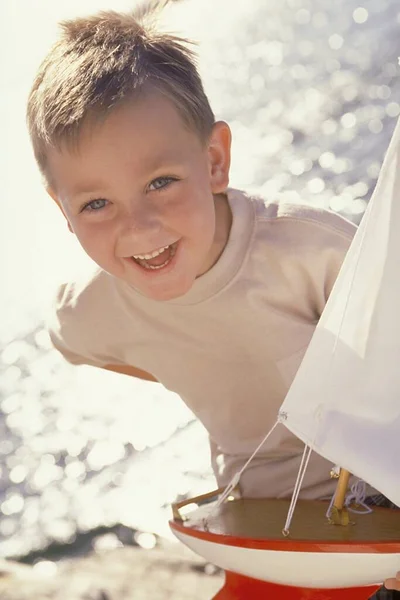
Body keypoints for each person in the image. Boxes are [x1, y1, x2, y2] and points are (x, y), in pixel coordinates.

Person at [26, 4, 399, 597]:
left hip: (374, 509)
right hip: (257, 526)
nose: (140, 227)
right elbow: (71, 339)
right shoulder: (90, 310)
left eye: (160, 182)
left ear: (214, 160)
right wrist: (185, 364)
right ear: (62, 211)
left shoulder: (309, 250)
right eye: (97, 204)